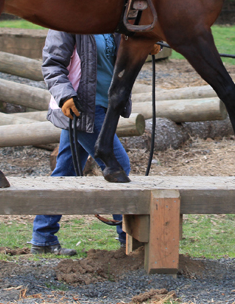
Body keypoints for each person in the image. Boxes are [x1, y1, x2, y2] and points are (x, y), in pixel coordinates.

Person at [30, 31, 160, 255]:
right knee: (118, 166)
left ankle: (43, 239)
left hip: (106, 108)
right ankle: (128, 241)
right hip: (79, 108)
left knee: (65, 172)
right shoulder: (67, 20)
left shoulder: (110, 21)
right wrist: (64, 95)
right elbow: (52, 64)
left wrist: (144, 46)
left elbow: (120, 56)